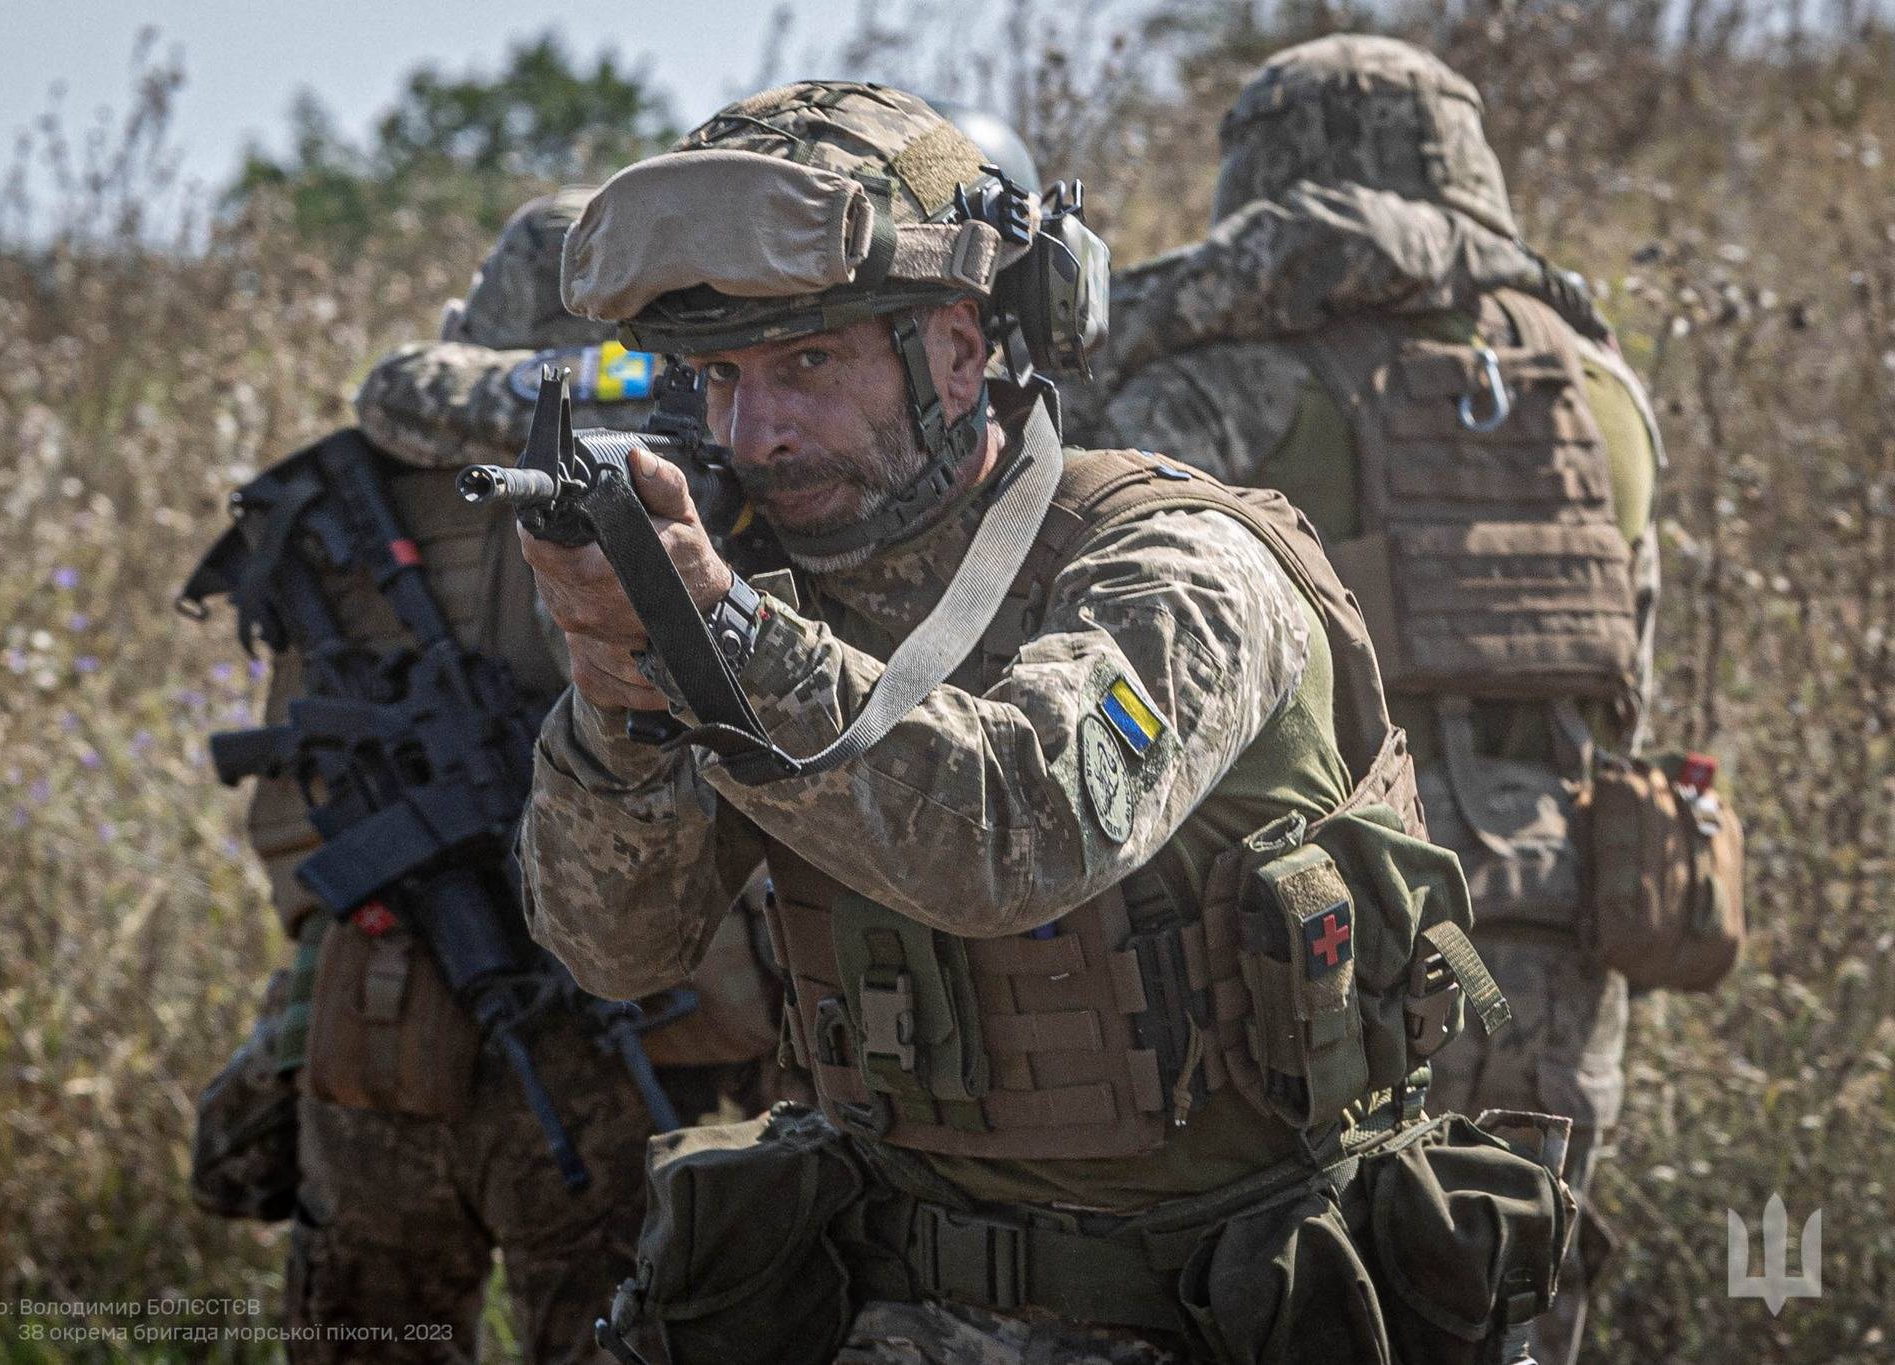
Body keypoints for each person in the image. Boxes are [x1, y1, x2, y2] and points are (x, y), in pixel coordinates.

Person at [519, 81, 1567, 1365]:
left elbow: (1019, 834)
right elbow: (614, 949)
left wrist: (720, 632)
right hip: (886, 1294)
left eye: (807, 364)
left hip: (1232, 1298)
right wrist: (624, 685)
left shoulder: (1183, 560)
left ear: (959, 349)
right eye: (715, 378)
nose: (755, 431)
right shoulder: (767, 590)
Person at [1072, 36, 1665, 1363]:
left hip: (1308, 938)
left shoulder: (1212, 380)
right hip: (1552, 932)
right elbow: (1634, 666)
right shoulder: (1604, 389)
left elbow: (1108, 669)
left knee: (1302, 1304)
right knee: (1514, 1293)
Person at [196, 189, 786, 1364]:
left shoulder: (339, 493)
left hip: (378, 1017)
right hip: (646, 1034)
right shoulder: (709, 478)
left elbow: (289, 814)